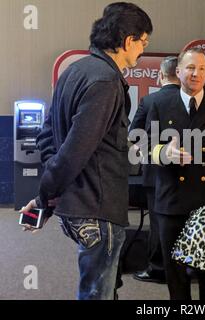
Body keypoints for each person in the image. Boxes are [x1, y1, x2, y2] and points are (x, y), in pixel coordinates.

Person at [20, 2, 153, 300]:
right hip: (98, 208)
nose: (142, 50)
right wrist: (44, 196)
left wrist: (50, 197)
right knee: (97, 295)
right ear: (128, 40)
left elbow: (47, 136)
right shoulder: (106, 81)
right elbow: (74, 151)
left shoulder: (75, 71)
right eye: (143, 43)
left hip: (78, 206)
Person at [146, 47, 205, 300]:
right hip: (171, 199)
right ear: (178, 71)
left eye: (201, 69)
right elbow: (142, 147)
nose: (195, 74)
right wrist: (165, 153)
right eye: (189, 68)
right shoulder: (158, 103)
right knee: (175, 275)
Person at [130, 56, 180, 284]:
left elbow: (134, 133)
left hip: (155, 172)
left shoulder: (149, 101)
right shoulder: (194, 100)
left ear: (161, 76)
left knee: (158, 220)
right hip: (187, 172)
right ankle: (184, 267)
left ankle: (159, 268)